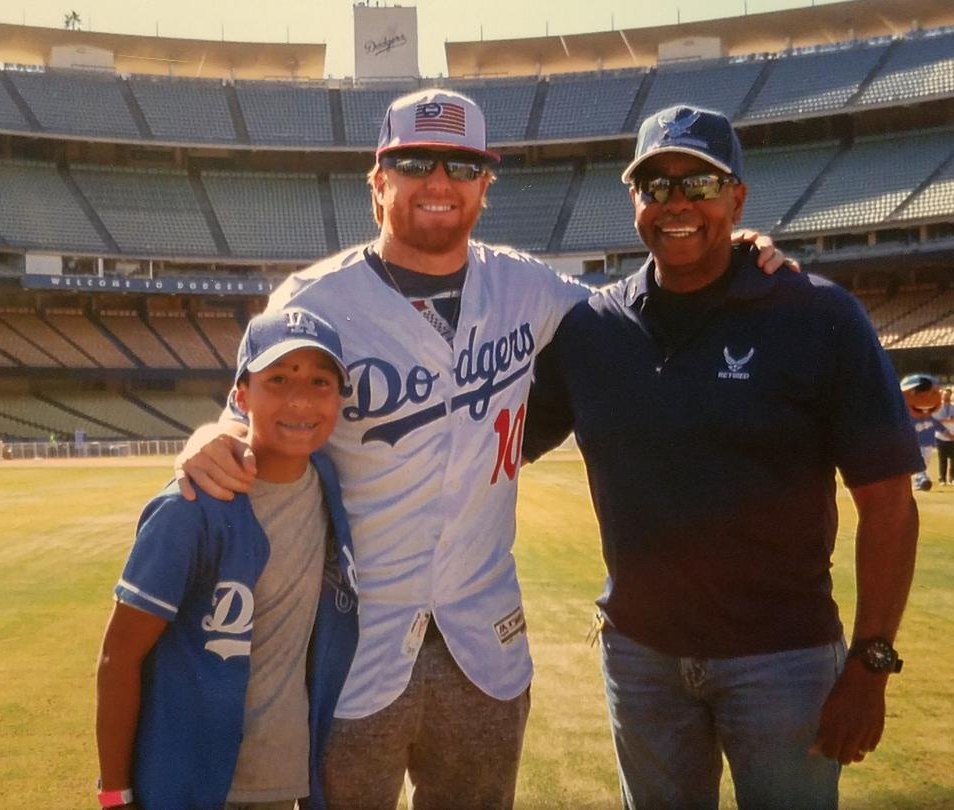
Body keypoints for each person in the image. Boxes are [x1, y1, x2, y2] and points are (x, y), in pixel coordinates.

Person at [174, 90, 789, 809]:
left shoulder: (527, 288)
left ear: (484, 187)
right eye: (414, 162)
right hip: (349, 648)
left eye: (462, 166)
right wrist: (207, 435)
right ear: (378, 183)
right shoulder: (312, 300)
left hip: (483, 647)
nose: (439, 181)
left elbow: (640, 308)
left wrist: (731, 248)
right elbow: (242, 422)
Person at [523, 104, 921, 809]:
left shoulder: (818, 316)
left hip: (785, 662)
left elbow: (888, 502)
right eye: (657, 186)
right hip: (641, 659)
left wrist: (871, 662)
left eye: (700, 184)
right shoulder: (591, 330)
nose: (677, 203)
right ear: (633, 202)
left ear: (737, 196)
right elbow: (492, 439)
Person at [95, 308, 359, 810]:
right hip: (192, 786)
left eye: (320, 381)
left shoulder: (328, 481)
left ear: (338, 398)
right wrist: (115, 794)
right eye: (278, 379)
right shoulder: (189, 508)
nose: (300, 399)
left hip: (283, 783)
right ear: (241, 396)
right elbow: (119, 655)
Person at [938, 387, 954, 485]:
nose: (946, 396)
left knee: (953, 459)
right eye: (944, 394)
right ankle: (942, 479)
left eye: (948, 394)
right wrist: (948, 420)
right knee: (942, 459)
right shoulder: (938, 407)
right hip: (941, 437)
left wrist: (948, 420)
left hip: (953, 436)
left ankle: (952, 478)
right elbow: (936, 421)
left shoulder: (953, 407)